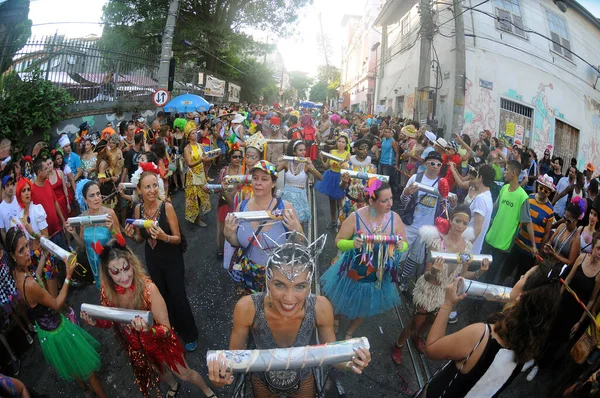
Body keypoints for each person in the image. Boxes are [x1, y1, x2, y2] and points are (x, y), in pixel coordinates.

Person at [208, 232, 371, 397]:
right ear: (268, 281)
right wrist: (221, 375)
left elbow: (333, 357)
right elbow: (233, 359)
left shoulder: (320, 308)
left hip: (303, 381)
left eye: (300, 286)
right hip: (262, 382)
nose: (289, 298)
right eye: (280, 285)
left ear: (309, 285)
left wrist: (353, 361)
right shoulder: (247, 308)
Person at [81, 238, 216, 398]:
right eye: (115, 272)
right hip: (138, 347)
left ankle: (207, 391)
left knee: (186, 374)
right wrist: (95, 321)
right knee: (162, 371)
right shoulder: (108, 291)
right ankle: (173, 385)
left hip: (162, 344)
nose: (124, 277)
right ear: (108, 273)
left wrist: (149, 330)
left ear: (132, 263)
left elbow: (166, 329)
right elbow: (110, 320)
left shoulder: (148, 289)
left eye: (126, 268)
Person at [416, 264, 561, 397]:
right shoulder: (527, 348)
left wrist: (447, 304)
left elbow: (431, 348)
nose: (520, 277)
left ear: (522, 295)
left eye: (524, 276)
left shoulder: (481, 335)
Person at [6, 227, 107, 397]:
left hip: (45, 330)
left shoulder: (17, 273)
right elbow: (57, 303)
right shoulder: (29, 285)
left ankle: (86, 391)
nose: (27, 252)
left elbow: (36, 276)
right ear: (12, 255)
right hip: (57, 330)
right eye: (21, 250)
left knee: (70, 361)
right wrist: (68, 275)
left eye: (27, 246)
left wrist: (43, 257)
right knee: (88, 370)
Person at [392, 206, 489, 364]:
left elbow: (462, 275)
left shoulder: (467, 248)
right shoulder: (436, 243)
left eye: (465, 223)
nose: (460, 226)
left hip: (445, 294)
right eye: (457, 220)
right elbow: (427, 275)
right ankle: (398, 344)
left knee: (431, 322)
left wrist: (479, 272)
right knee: (415, 323)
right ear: (450, 220)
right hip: (428, 289)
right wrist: (436, 271)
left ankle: (418, 337)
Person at [124, 167, 199, 352]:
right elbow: (141, 238)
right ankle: (169, 329)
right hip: (153, 259)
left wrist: (163, 236)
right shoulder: (138, 210)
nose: (152, 190)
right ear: (139, 190)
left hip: (171, 258)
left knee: (178, 296)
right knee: (162, 296)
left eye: (154, 186)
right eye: (147, 187)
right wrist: (132, 236)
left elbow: (178, 238)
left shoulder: (167, 207)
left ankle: (190, 333)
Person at [321, 180, 406, 339]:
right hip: (352, 271)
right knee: (342, 299)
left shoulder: (395, 218)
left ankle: (349, 333)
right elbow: (338, 241)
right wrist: (352, 243)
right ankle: (337, 319)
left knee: (364, 305)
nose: (390, 204)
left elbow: (404, 243)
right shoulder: (355, 217)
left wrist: (402, 245)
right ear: (372, 201)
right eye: (384, 200)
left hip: (377, 275)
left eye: (391, 199)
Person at [525, 237, 600, 382]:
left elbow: (591, 300)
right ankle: (532, 357)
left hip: (575, 312)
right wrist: (555, 299)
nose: (599, 253)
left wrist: (579, 322)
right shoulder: (581, 258)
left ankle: (539, 365)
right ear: (593, 248)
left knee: (557, 340)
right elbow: (567, 280)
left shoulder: (599, 274)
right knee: (546, 330)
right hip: (562, 302)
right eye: (598, 248)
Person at [223, 160, 303, 294]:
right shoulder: (242, 207)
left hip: (278, 275)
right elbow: (237, 243)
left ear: (273, 183)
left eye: (264, 179)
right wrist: (228, 234)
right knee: (253, 308)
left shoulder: (285, 208)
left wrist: (296, 229)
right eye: (255, 178)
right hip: (249, 272)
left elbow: (302, 244)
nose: (258, 183)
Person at [483, 160, 537, 283]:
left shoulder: (523, 196)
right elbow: (495, 206)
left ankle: (482, 301)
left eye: (506, 170)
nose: (504, 172)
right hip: (491, 236)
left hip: (504, 243)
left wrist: (534, 245)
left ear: (513, 173)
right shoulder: (504, 188)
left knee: (492, 274)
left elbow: (528, 222)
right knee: (480, 266)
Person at [498, 174, 556, 286]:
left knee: (519, 278)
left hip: (530, 252)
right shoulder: (528, 199)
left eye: (547, 190)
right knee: (505, 271)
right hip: (518, 243)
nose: (543, 191)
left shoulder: (550, 210)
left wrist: (540, 252)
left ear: (549, 192)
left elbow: (546, 233)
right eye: (541, 188)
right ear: (538, 186)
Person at [65, 179, 120, 289]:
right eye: (92, 195)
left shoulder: (109, 213)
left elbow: (120, 242)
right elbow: (83, 247)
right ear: (85, 200)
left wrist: (112, 229)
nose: (96, 198)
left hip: (112, 266)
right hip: (95, 270)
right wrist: (73, 234)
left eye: (98, 194)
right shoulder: (83, 218)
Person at [399, 151, 444, 246]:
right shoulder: (415, 178)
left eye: (439, 164)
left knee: (418, 259)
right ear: (426, 163)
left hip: (429, 229)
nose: (435, 166)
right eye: (432, 163)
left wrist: (452, 205)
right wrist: (406, 193)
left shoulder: (442, 183)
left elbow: (445, 208)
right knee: (401, 253)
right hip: (411, 225)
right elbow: (403, 201)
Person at [277, 139, 322, 225]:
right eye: (300, 150)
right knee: (285, 223)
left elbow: (320, 177)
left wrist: (311, 167)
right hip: (287, 198)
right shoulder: (286, 163)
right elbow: (273, 173)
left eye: (304, 150)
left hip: (300, 199)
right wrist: (278, 163)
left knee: (298, 225)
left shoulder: (306, 165)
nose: (303, 152)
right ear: (294, 152)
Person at [338, 139, 377, 227]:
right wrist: (344, 182)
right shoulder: (346, 166)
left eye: (367, 149)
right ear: (355, 149)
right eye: (362, 148)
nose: (365, 151)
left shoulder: (372, 168)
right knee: (346, 230)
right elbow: (342, 187)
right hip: (349, 202)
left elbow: (373, 190)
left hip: (365, 205)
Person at [315, 134, 351, 229]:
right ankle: (333, 220)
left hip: (340, 179)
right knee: (331, 201)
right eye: (339, 141)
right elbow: (326, 166)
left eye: (343, 142)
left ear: (346, 144)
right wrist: (322, 158)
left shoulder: (347, 154)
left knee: (340, 202)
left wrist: (343, 165)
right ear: (336, 142)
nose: (341, 143)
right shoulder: (332, 151)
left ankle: (341, 221)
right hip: (330, 177)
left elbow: (348, 169)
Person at [543, 200, 584, 268]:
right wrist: (547, 246)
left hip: (557, 269)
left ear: (576, 221)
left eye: (569, 221)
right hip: (547, 262)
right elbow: (550, 241)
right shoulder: (561, 226)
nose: (566, 222)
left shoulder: (576, 238)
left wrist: (555, 255)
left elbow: (570, 262)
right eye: (565, 218)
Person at [184, 128, 211, 227]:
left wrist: (212, 156)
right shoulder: (187, 149)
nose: (195, 135)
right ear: (188, 136)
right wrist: (201, 160)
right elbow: (189, 164)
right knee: (194, 198)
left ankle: (198, 215)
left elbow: (205, 158)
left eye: (196, 133)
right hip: (192, 176)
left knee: (202, 195)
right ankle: (197, 218)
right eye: (193, 133)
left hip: (201, 174)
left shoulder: (200, 146)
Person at [469, 165, 495, 255]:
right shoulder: (488, 196)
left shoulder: (481, 198)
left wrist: (466, 247)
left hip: (470, 249)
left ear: (480, 178)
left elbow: (477, 228)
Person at [0, 174, 19, 245]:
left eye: (11, 184)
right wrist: (8, 248)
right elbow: (2, 231)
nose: (10, 187)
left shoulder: (18, 199)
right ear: (3, 189)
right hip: (13, 243)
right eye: (7, 186)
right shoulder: (1, 208)